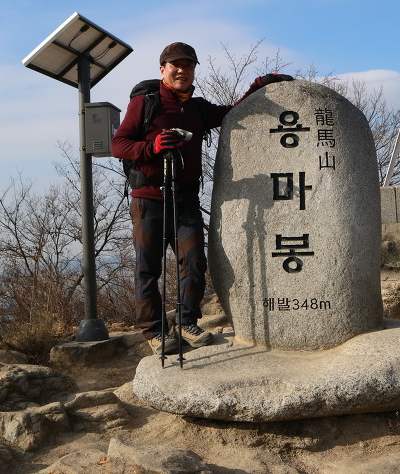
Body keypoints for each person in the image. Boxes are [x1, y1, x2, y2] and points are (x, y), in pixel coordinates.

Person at [111, 42, 292, 355]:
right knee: (148, 269)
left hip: (186, 201)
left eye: (188, 65)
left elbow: (230, 114)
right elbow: (119, 144)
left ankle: (184, 321)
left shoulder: (196, 108)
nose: (182, 70)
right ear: (162, 69)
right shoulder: (145, 103)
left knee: (195, 262)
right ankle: (154, 332)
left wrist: (257, 88)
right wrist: (152, 147)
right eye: (175, 65)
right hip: (149, 199)